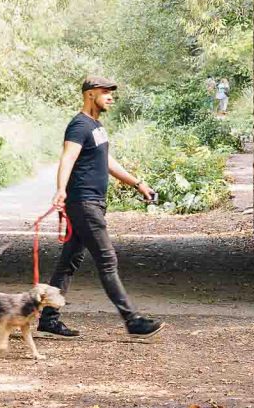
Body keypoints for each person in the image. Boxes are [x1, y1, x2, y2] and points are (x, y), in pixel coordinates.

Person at [36, 77, 163, 338]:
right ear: (90, 94)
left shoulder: (97, 127)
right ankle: (132, 320)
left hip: (91, 202)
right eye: (105, 93)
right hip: (84, 203)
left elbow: (107, 161)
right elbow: (68, 157)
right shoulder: (79, 125)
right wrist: (61, 190)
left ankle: (48, 317)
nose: (111, 97)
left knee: (69, 261)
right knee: (107, 259)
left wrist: (138, 183)